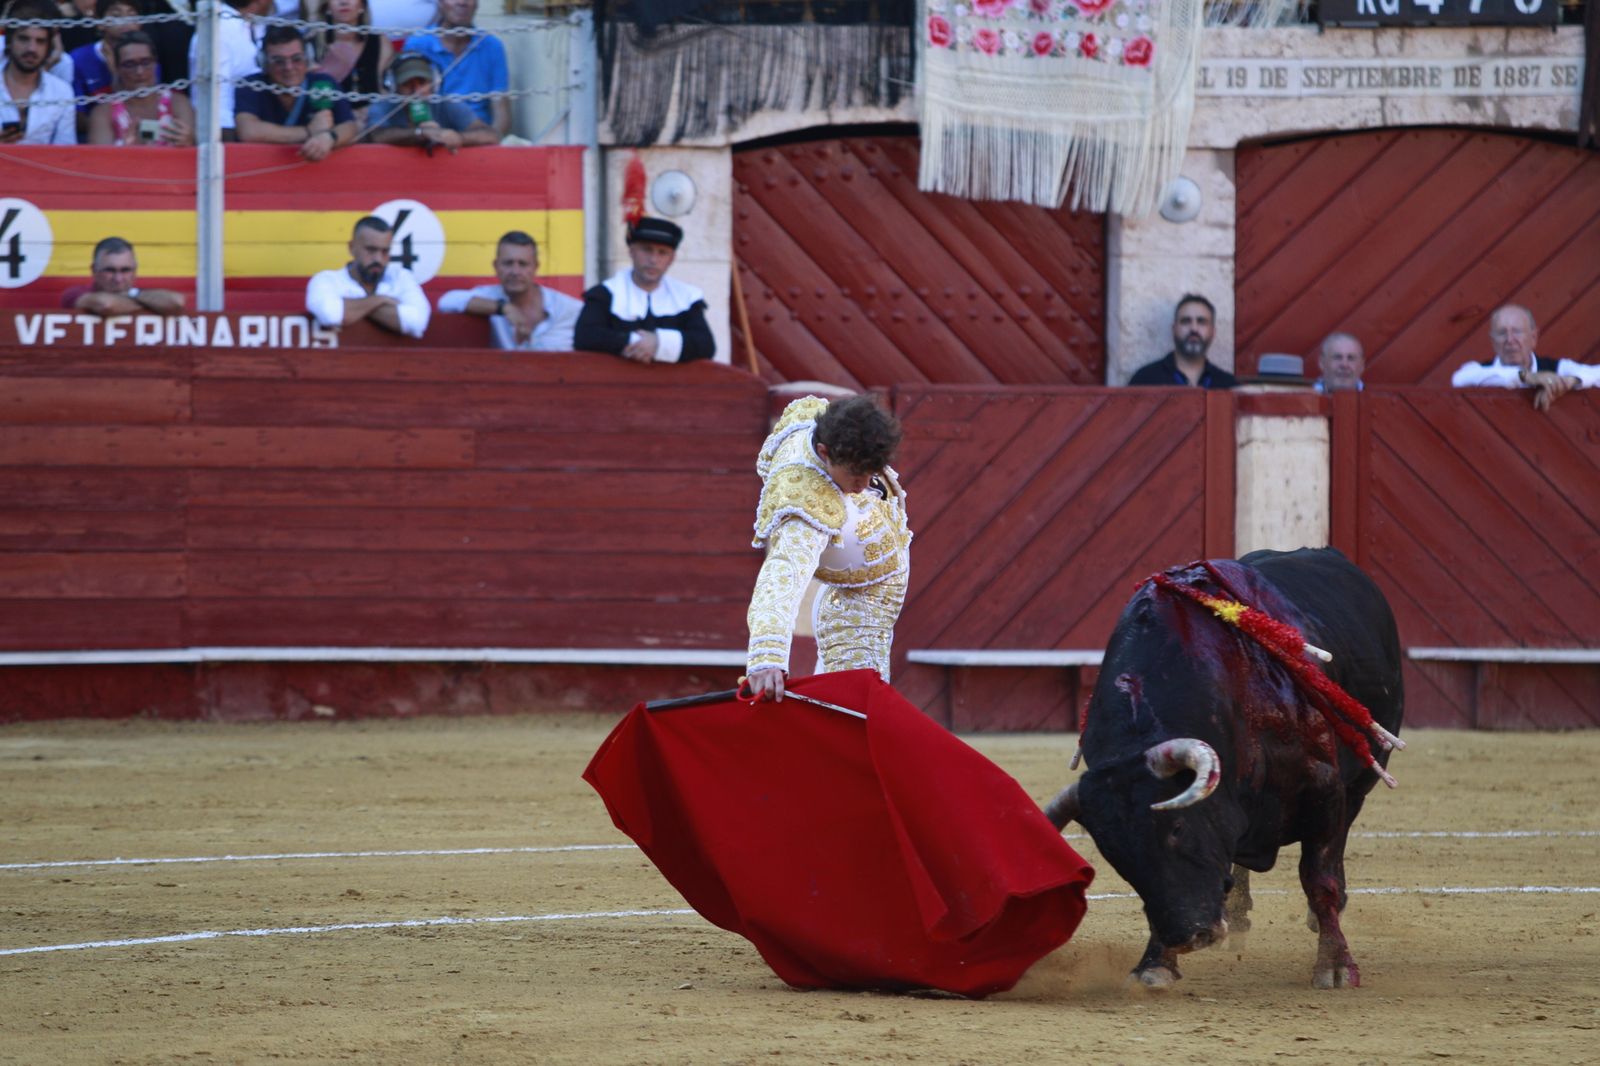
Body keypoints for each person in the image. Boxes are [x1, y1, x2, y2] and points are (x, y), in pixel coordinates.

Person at [744, 394, 912, 702]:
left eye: (870, 473)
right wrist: (767, 656)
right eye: (855, 474)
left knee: (847, 699)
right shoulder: (802, 505)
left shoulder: (823, 424)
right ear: (824, 453)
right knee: (855, 705)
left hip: (866, 575)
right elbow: (782, 576)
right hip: (858, 597)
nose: (864, 484)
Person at [573, 216, 716, 364]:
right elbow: (585, 337)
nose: (653, 260)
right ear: (632, 252)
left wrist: (659, 343)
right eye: (647, 250)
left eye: (662, 252)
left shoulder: (686, 297)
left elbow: (706, 345)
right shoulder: (606, 294)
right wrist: (641, 342)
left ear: (671, 259)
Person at [436, 230, 580, 350]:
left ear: (536, 267)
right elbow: (446, 301)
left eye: (523, 264)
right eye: (508, 263)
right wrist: (504, 308)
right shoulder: (490, 297)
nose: (515, 271)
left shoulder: (569, 309)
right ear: (496, 266)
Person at [234, 25, 357, 160]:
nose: (289, 67)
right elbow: (248, 131)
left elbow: (349, 126)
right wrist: (308, 131)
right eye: (278, 61)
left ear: (308, 58)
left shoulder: (323, 83)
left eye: (296, 59)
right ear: (264, 62)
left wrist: (329, 137)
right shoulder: (251, 85)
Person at [1450, 304, 1600, 411]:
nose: (1510, 339)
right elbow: (1459, 379)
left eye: (1517, 332)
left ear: (1533, 337)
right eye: (1502, 333)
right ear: (1493, 341)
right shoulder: (1480, 370)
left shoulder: (1556, 368)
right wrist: (1528, 377)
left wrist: (1570, 381)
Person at [306, 215, 430, 338]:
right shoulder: (326, 280)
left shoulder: (401, 277)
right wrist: (381, 299)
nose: (378, 258)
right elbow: (331, 316)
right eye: (371, 250)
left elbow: (417, 322)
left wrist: (351, 307)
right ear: (352, 248)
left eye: (385, 251)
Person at [402, 0, 508, 139]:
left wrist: (491, 142)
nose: (462, 2)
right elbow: (410, 105)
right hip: (431, 137)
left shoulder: (492, 46)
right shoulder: (418, 44)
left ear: (477, 4)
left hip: (478, 137)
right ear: (439, 3)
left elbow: (501, 112)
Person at [367, 49, 497, 152]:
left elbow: (490, 135)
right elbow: (376, 136)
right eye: (407, 83)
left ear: (435, 82)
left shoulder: (445, 103)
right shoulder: (384, 106)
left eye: (422, 82)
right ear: (393, 86)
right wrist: (420, 134)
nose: (416, 90)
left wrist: (457, 137)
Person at [86, 30, 194, 144]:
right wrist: (125, 150)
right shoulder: (103, 113)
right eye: (130, 64)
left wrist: (189, 141)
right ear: (117, 69)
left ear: (155, 64)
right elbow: (99, 159)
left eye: (146, 62)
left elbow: (193, 150)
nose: (139, 71)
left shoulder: (178, 103)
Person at [185, 0, 264, 139]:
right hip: (226, 139)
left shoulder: (244, 25)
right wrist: (225, 151)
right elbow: (217, 104)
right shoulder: (219, 30)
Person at [1, 0, 77, 144]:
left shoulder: (61, 91)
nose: (31, 49)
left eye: (40, 41)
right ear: (10, 41)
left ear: (49, 47)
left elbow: (66, 149)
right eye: (24, 39)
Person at [305, 0, 390, 127]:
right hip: (328, 124)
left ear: (362, 5)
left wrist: (370, 112)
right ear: (327, 6)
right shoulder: (311, 44)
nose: (344, 2)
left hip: (370, 124)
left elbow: (384, 90)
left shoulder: (380, 42)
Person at [1128, 294, 1237, 389]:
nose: (1194, 328)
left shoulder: (1228, 385)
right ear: (1174, 329)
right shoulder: (1145, 380)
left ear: (1213, 332)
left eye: (1201, 322)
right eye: (1185, 321)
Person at [60, 236, 186, 315]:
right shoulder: (75, 294)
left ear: (135, 271)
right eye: (110, 270)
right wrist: (150, 305)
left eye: (125, 270)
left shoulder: (138, 294)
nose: (118, 279)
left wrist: (132, 295)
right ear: (94, 270)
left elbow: (176, 302)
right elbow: (107, 305)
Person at [68, 0, 141, 129]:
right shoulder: (79, 58)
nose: (125, 21)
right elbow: (76, 117)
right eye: (116, 15)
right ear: (100, 23)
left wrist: (114, 71)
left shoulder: (146, 57)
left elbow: (144, 108)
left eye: (131, 15)